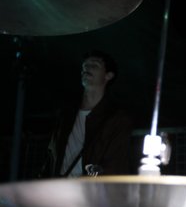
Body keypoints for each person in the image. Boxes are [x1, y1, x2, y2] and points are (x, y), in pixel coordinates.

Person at [40, 50, 133, 178]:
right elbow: (51, 155)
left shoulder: (116, 119)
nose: (87, 68)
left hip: (90, 191)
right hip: (59, 187)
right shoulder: (66, 114)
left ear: (108, 75)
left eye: (94, 65)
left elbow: (116, 162)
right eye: (84, 66)